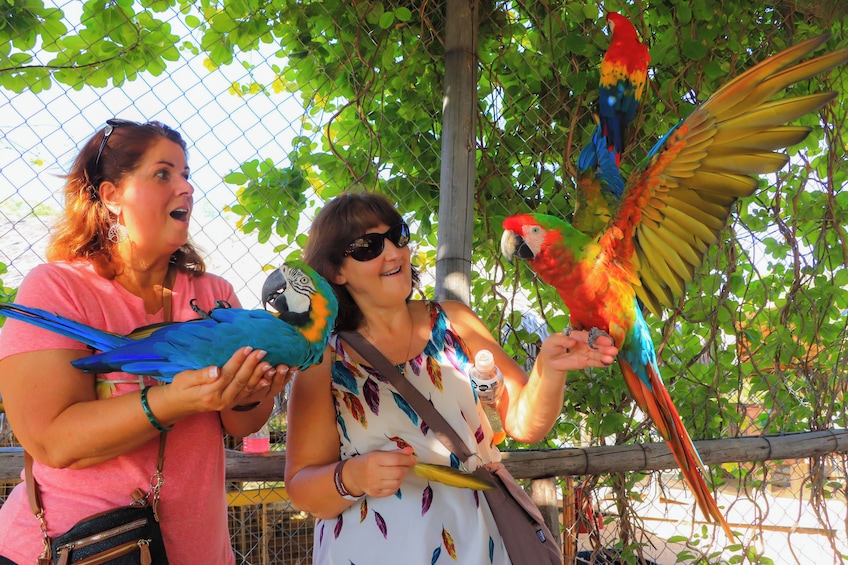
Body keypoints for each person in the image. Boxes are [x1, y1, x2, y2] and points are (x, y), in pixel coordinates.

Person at [0, 119, 292, 564]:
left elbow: (238, 425)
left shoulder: (215, 295)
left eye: (187, 174)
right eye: (163, 174)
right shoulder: (57, 288)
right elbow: (53, 443)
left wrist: (253, 394)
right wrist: (172, 401)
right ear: (111, 194)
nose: (187, 188)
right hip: (81, 549)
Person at [284, 192, 618, 564]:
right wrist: (353, 477)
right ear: (336, 271)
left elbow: (521, 424)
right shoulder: (324, 359)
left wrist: (549, 369)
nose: (394, 252)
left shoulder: (454, 322)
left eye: (398, 235)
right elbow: (301, 489)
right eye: (368, 247)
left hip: (477, 544)